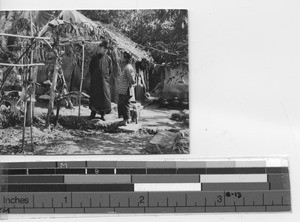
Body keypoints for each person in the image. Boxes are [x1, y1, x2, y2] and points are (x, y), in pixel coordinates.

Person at [89, 40, 112, 120]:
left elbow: (110, 71)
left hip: (104, 82)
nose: (105, 50)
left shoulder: (108, 59)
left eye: (107, 49)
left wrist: (104, 78)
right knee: (95, 97)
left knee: (104, 97)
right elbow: (90, 69)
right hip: (95, 81)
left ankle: (103, 114)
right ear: (101, 48)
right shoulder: (95, 58)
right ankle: (93, 113)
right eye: (104, 48)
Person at [118, 51, 136, 125]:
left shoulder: (128, 67)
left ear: (125, 59)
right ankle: (126, 119)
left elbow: (132, 80)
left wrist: (131, 85)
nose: (121, 58)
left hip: (126, 90)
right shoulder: (126, 67)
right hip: (124, 90)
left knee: (124, 105)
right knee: (124, 104)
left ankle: (126, 120)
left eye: (122, 57)